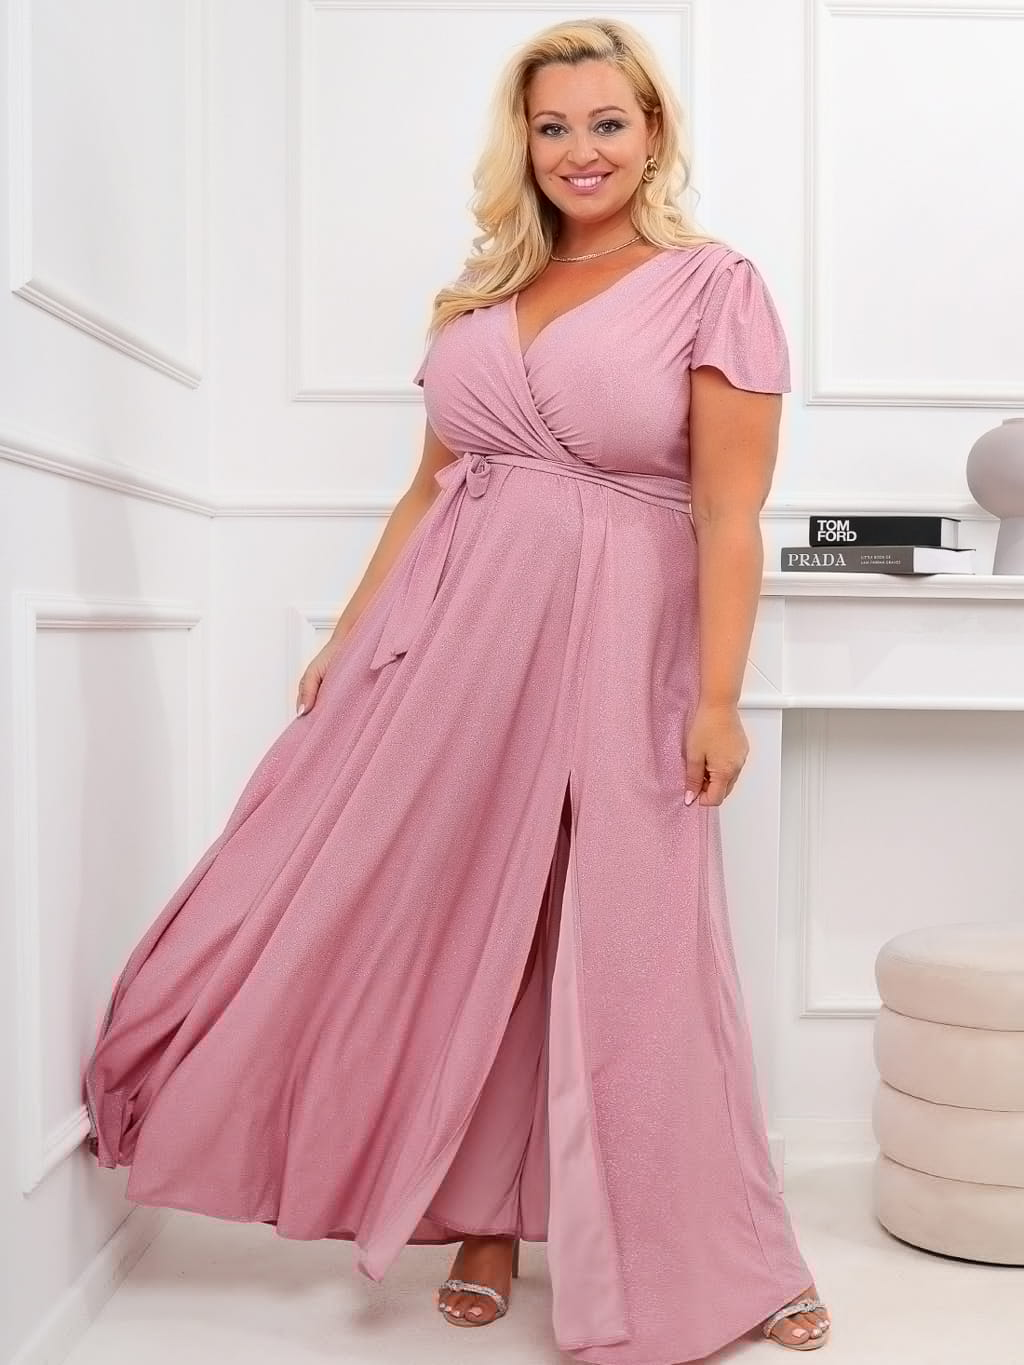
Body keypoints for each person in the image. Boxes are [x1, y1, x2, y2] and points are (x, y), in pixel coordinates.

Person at [82, 15, 832, 1363]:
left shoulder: (712, 285)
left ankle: (719, 1253)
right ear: (522, 144)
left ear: (653, 133)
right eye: (554, 127)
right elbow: (428, 490)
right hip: (449, 656)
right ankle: (482, 1215)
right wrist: (352, 634)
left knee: (634, 943)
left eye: (607, 122)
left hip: (622, 646)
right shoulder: (479, 299)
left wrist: (716, 699)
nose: (581, 149)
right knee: (453, 920)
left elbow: (729, 514)